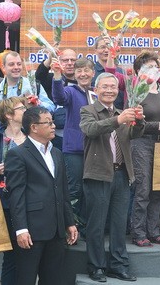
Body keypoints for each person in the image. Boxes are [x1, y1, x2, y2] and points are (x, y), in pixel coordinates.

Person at [80, 72, 144, 282]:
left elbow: (134, 135)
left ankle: (119, 265)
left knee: (118, 224)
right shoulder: (88, 110)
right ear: (96, 90)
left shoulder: (121, 112)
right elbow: (91, 130)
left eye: (113, 87)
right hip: (98, 174)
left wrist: (140, 121)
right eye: (105, 87)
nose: (109, 90)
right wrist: (118, 119)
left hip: (121, 174)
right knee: (96, 224)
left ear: (119, 91)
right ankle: (96, 266)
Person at [4, 106, 78, 285]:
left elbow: (63, 191)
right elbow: (17, 195)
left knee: (53, 279)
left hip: (56, 230)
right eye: (48, 122)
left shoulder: (56, 153)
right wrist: (21, 229)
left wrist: (69, 221)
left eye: (53, 122)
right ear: (33, 127)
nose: (53, 126)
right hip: (32, 231)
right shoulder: (18, 154)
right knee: (26, 278)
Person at [128, 51, 160, 247]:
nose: (153, 70)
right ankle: (138, 232)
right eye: (148, 67)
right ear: (139, 71)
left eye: (155, 66)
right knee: (143, 189)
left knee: (159, 189)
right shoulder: (136, 92)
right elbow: (131, 122)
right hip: (141, 142)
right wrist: (157, 126)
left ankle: (154, 230)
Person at [0, 97, 27, 285]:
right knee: (11, 253)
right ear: (9, 115)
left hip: (30, 201)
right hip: (7, 202)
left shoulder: (31, 137)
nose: (26, 110)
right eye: (21, 108)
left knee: (27, 252)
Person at [51, 57, 95, 225]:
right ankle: (70, 225)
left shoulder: (97, 93)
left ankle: (84, 226)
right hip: (74, 150)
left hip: (94, 149)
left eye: (86, 70)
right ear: (74, 74)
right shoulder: (70, 91)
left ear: (93, 73)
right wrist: (56, 76)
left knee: (90, 190)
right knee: (74, 189)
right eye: (79, 71)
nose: (83, 74)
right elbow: (59, 98)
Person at [0, 51, 55, 134]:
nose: (16, 67)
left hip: (32, 136)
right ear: (3, 67)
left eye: (19, 64)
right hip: (7, 139)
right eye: (11, 64)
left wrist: (38, 103)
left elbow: (51, 108)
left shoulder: (33, 85)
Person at [35, 48, 80, 150]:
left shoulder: (83, 82)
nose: (69, 63)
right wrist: (50, 59)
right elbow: (39, 76)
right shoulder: (51, 79)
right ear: (59, 61)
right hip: (54, 135)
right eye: (65, 60)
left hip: (76, 134)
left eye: (73, 60)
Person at [93, 36, 125, 109]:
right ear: (95, 50)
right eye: (102, 47)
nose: (107, 50)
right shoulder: (91, 72)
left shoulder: (121, 72)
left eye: (109, 47)